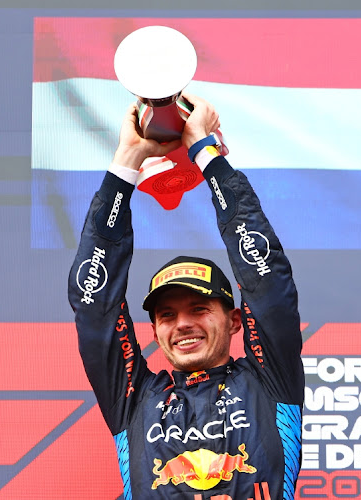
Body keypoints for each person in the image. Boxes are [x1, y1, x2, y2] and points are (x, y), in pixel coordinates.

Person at [68, 93, 304, 500]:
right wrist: (128, 158)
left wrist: (206, 153)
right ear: (155, 331)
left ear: (235, 321)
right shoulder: (135, 400)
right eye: (167, 315)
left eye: (199, 308)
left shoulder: (270, 383)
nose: (183, 325)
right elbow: (95, 305)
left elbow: (267, 283)